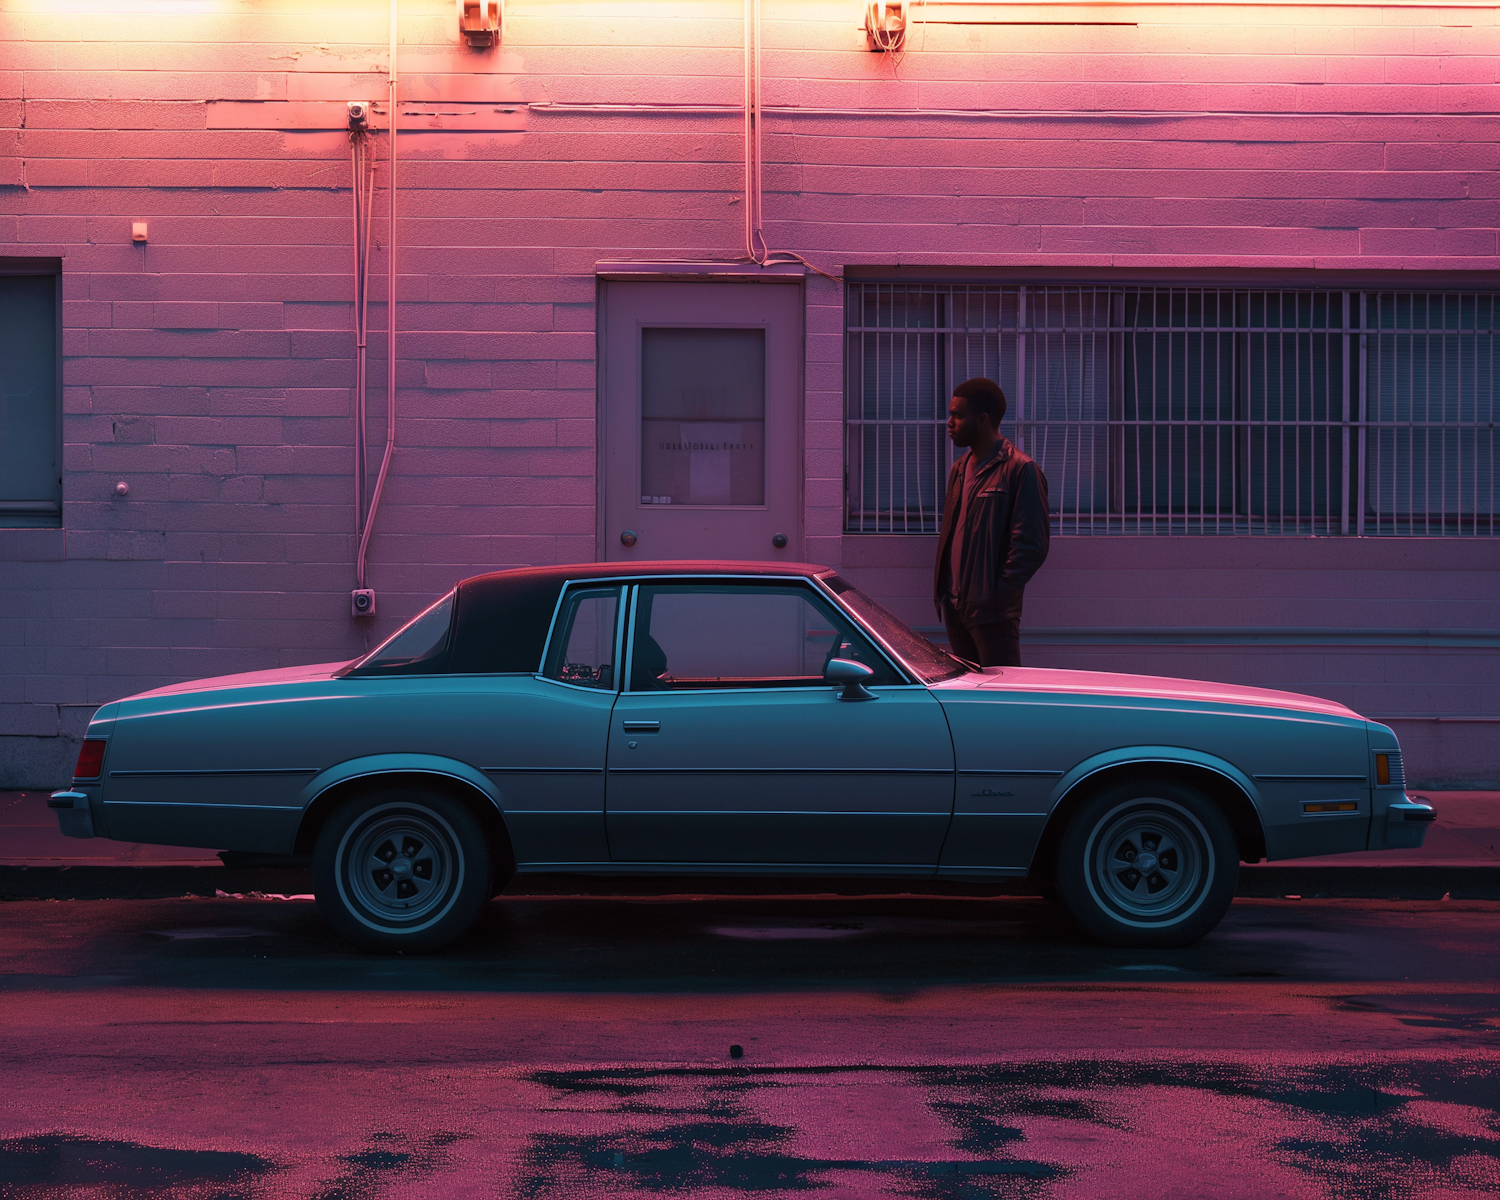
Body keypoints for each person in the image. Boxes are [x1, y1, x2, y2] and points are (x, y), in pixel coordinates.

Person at [933, 377, 1050, 667]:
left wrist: (994, 595)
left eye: (958, 415)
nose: (950, 422)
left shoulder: (1021, 470)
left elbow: (1031, 545)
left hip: (992, 614)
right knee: (968, 698)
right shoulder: (959, 469)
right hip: (956, 608)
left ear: (982, 420)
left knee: (1001, 698)